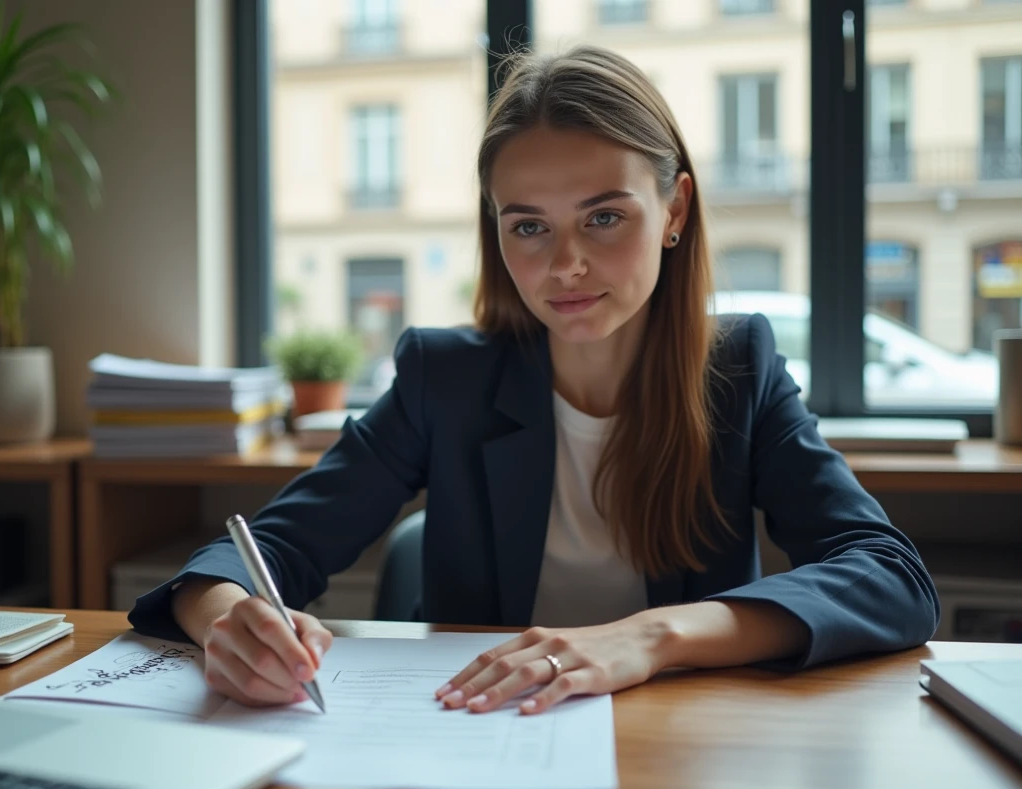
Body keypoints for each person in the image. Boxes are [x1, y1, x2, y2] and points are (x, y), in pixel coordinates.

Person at [129, 45, 939, 716]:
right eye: (528, 226)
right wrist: (231, 621)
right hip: (476, 732)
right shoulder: (442, 377)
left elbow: (888, 577)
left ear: (676, 211)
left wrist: (648, 636)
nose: (565, 265)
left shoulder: (739, 370)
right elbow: (260, 552)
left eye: (604, 216)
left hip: (678, 736)